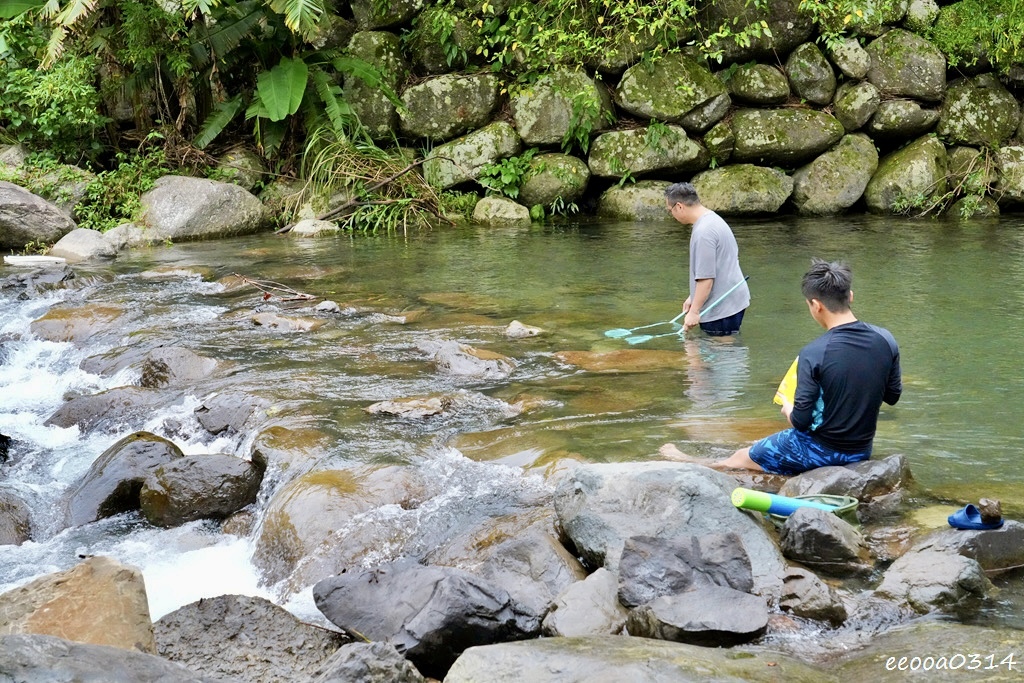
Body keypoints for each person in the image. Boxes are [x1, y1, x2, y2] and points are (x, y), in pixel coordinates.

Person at [660, 259, 902, 475]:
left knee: (738, 458)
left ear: (816, 305)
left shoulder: (814, 353)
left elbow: (801, 422)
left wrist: (788, 407)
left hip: (821, 451)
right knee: (761, 442)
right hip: (861, 450)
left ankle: (690, 462)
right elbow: (892, 396)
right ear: (850, 296)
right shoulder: (886, 339)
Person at [664, 182, 750, 336]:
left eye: (670, 211)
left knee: (723, 352)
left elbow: (706, 279)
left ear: (679, 206)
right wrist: (693, 297)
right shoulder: (713, 219)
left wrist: (695, 312)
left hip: (721, 307)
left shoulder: (703, 233)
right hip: (733, 299)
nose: (672, 215)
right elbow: (721, 263)